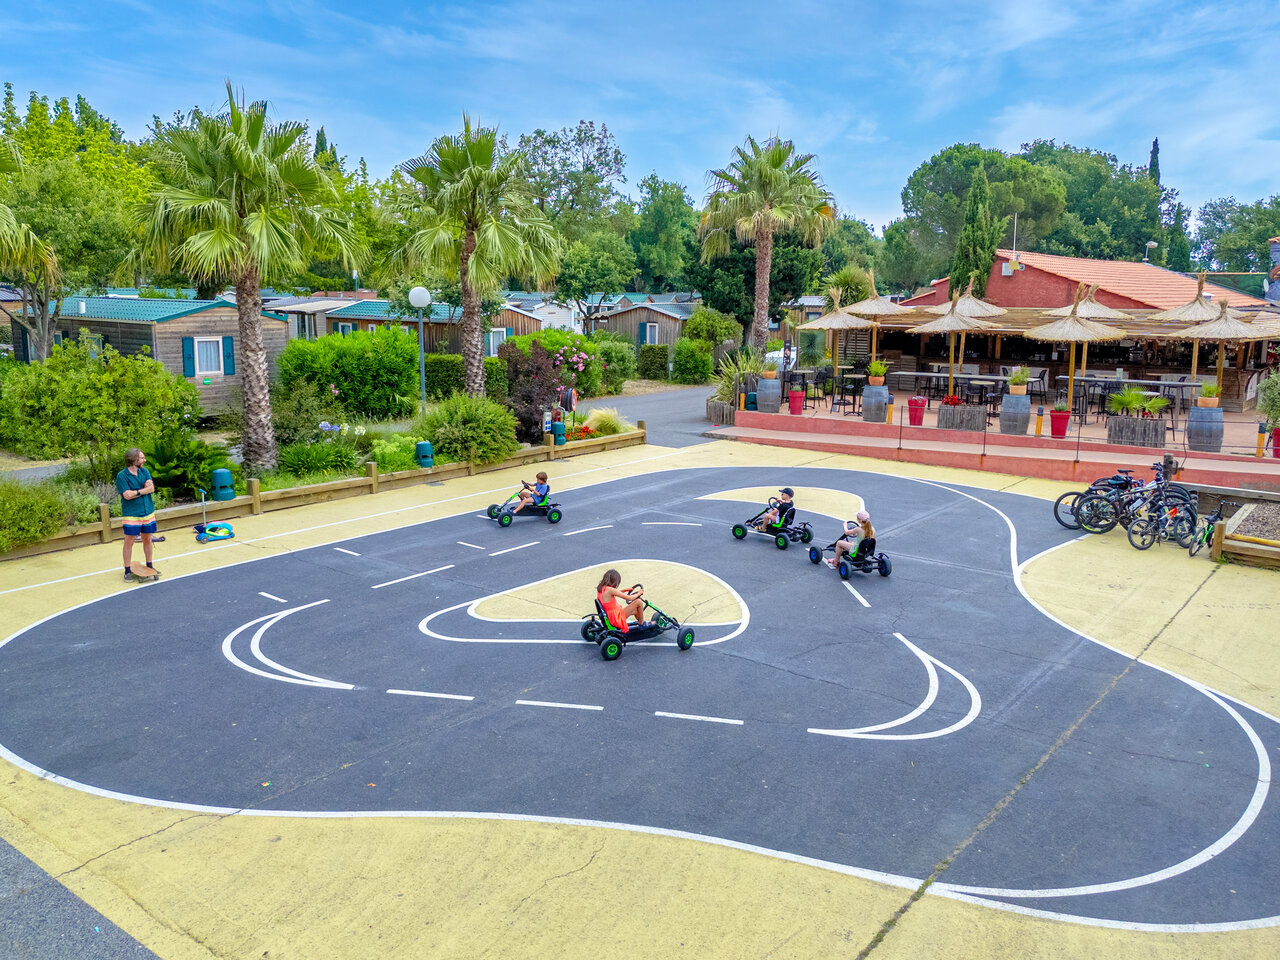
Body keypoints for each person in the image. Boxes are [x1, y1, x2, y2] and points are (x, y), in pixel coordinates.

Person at [116, 447, 158, 582]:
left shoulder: (144, 471)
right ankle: (127, 570)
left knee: (148, 539)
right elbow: (127, 495)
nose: (144, 460)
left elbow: (152, 488)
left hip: (148, 512)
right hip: (132, 514)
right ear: (134, 460)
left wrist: (136, 492)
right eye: (141, 458)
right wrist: (143, 490)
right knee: (130, 541)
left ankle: (150, 565)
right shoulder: (122, 476)